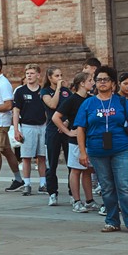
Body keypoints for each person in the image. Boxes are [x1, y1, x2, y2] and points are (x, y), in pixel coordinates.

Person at [74, 65, 128, 234]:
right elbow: (80, 129)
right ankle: (112, 221)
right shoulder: (88, 103)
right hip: (97, 150)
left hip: (122, 148)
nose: (102, 83)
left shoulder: (121, 102)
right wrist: (82, 152)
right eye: (99, 80)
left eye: (106, 79)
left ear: (113, 83)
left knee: (125, 185)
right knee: (106, 187)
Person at [52, 73, 96, 212]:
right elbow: (56, 117)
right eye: (90, 80)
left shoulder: (91, 99)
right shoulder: (72, 99)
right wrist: (68, 132)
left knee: (87, 170)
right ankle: (76, 200)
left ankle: (89, 200)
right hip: (75, 140)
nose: (93, 82)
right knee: (76, 170)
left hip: (89, 139)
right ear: (82, 83)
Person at [0, 56, 23, 192]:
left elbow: (8, 105)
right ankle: (19, 180)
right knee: (7, 151)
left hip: (0, 123)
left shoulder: (3, 83)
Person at [12, 64, 48, 195]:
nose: (29, 76)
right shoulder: (20, 91)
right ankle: (27, 184)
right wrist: (16, 129)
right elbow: (16, 111)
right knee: (26, 157)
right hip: (27, 126)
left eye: (32, 73)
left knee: (42, 156)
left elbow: (48, 111)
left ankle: (43, 184)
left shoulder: (43, 91)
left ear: (38, 75)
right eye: (27, 73)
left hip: (42, 126)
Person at [40, 67, 72, 206]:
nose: (60, 78)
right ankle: (52, 193)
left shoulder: (67, 92)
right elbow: (52, 105)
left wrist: (66, 122)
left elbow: (72, 108)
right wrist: (58, 88)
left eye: (61, 75)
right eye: (56, 76)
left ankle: (73, 193)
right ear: (50, 77)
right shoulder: (45, 92)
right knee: (52, 163)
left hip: (66, 128)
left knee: (71, 163)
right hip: (53, 130)